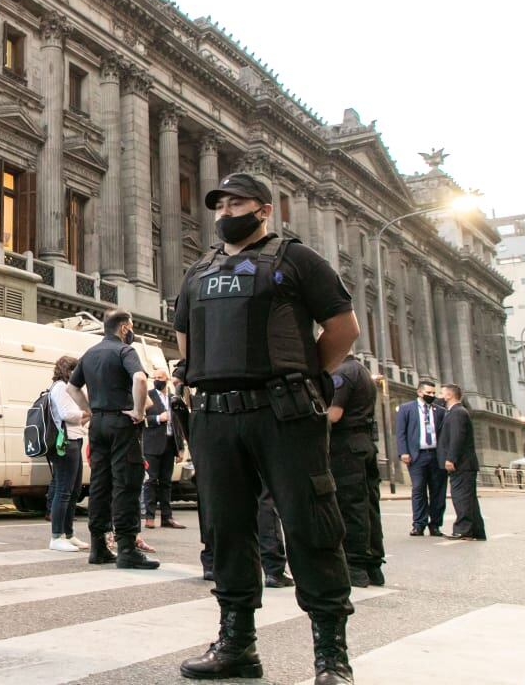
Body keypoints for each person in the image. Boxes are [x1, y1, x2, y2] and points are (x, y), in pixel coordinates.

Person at [175, 173, 359, 685]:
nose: (226, 210)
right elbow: (185, 339)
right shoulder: (198, 271)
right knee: (226, 531)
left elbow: (344, 328)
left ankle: (331, 656)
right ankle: (237, 645)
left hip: (283, 413)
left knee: (310, 526)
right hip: (214, 416)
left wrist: (303, 375)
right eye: (220, 204)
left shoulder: (298, 260)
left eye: (237, 201)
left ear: (264, 209)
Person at [67, 308, 158, 571]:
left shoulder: (89, 354)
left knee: (100, 483)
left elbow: (72, 387)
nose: (131, 331)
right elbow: (140, 379)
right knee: (126, 484)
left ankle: (98, 546)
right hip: (122, 422)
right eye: (131, 326)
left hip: (99, 424)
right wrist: (139, 412)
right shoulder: (125, 351)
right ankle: (127, 548)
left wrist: (90, 410)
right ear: (123, 328)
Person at [328, 355, 385, 587]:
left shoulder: (341, 372)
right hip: (363, 443)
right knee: (369, 505)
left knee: (351, 505)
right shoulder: (360, 370)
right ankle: (373, 565)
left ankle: (355, 566)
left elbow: (334, 414)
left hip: (346, 446)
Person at [47, 355, 90, 552]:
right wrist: (86, 413)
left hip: (75, 439)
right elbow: (66, 414)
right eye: (75, 369)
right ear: (67, 370)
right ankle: (56, 536)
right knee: (64, 490)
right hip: (65, 442)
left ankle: (69, 533)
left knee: (73, 490)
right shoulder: (59, 388)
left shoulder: (69, 388)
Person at [394, 380, 447, 536]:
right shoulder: (406, 409)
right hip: (417, 456)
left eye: (433, 393)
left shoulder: (440, 411)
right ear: (419, 392)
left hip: (436, 456)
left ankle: (435, 524)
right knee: (418, 490)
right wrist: (403, 452)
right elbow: (400, 432)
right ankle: (419, 524)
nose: (431, 395)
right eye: (428, 393)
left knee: (438, 491)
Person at [438, 383, 486, 541]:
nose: (440, 395)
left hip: (461, 464)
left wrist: (451, 458)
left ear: (449, 395)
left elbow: (457, 438)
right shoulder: (456, 412)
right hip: (466, 464)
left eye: (442, 392)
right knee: (469, 498)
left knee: (461, 497)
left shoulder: (457, 412)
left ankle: (463, 529)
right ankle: (476, 531)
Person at [143, 368, 186, 530]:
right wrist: (157, 418)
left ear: (166, 379)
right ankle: (149, 516)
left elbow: (178, 424)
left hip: (169, 444)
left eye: (160, 377)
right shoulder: (148, 396)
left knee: (167, 482)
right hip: (152, 444)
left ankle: (167, 517)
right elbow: (141, 417)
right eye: (154, 377)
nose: (156, 380)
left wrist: (180, 448)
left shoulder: (173, 398)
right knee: (151, 480)